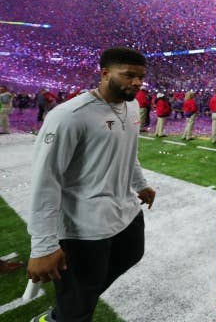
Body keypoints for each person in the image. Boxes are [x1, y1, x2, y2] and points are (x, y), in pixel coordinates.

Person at [27, 47, 156, 322]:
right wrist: (42, 245)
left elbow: (129, 151)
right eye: (129, 75)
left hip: (125, 211)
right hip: (84, 225)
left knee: (132, 254)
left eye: (141, 77)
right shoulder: (69, 115)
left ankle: (74, 300)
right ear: (105, 73)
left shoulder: (132, 106)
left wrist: (140, 183)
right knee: (77, 308)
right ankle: (62, 314)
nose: (136, 82)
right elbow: (45, 180)